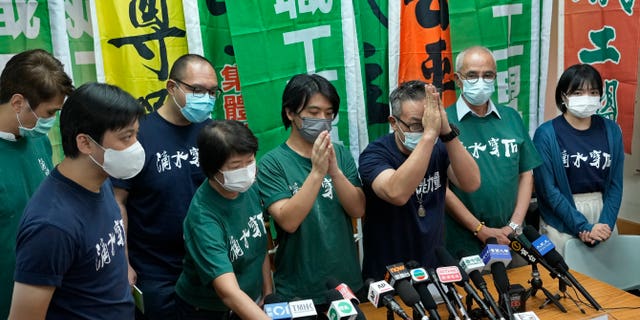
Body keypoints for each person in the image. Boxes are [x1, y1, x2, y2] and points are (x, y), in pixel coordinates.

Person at [9, 82, 144, 319]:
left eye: (136, 134)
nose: (135, 147)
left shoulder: (101, 179)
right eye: (126, 137)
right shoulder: (51, 226)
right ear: (85, 143)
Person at [112, 54, 219, 319]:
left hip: (208, 263)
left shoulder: (214, 134)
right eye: (196, 90)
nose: (205, 97)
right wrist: (122, 262)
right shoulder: (139, 135)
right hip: (156, 271)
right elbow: (117, 201)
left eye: (212, 91)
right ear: (172, 87)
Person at [257, 74, 365, 305]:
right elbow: (288, 221)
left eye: (329, 114)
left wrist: (334, 171)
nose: (323, 120)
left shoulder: (340, 154)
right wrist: (317, 172)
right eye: (314, 113)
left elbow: (358, 209)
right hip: (299, 288)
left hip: (346, 282)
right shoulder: (272, 163)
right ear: (290, 113)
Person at [358, 81, 480, 279]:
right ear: (393, 122)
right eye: (416, 124)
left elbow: (471, 183)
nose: (424, 130)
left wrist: (446, 131)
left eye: (429, 121)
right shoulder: (375, 154)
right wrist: (430, 134)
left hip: (433, 265)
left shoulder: (440, 146)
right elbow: (396, 193)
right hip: (390, 272)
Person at [444, 46, 542, 259]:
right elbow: (442, 189)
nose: (481, 81)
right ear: (458, 80)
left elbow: (526, 173)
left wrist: (514, 225)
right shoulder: (443, 122)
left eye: (487, 75)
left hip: (513, 239)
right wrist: (480, 230)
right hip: (464, 241)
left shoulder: (511, 117)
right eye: (472, 75)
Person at [0, 49, 73, 318]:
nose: (50, 122)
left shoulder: (36, 139)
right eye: (48, 113)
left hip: (45, 293)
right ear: (18, 103)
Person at [174, 120, 272, 319]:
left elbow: (258, 243)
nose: (246, 170)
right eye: (236, 165)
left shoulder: (249, 187)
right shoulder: (203, 217)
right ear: (212, 169)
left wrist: (267, 291)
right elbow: (228, 292)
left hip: (250, 299)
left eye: (250, 161)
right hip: (208, 310)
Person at [533, 64, 623, 256]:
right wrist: (582, 226)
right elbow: (548, 190)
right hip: (562, 218)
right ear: (564, 96)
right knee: (566, 280)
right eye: (578, 92)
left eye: (593, 92)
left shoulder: (612, 130)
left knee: (607, 284)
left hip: (603, 217)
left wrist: (605, 224)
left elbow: (616, 184)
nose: (587, 98)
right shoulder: (546, 134)